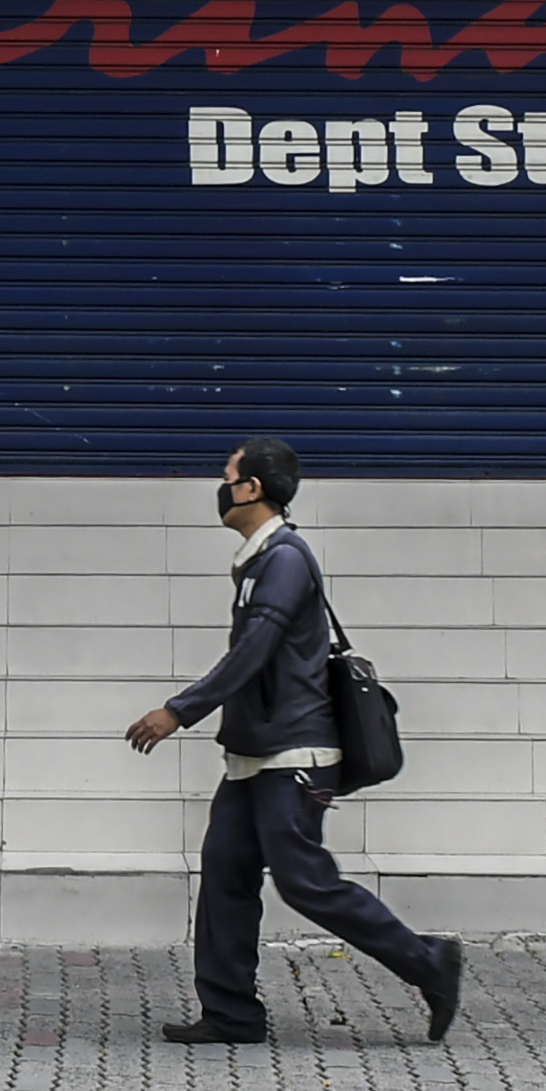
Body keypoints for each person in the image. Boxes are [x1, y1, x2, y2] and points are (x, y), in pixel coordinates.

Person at [127, 435, 463, 1046]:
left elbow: (252, 653)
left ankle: (430, 963)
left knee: (305, 880)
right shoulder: (261, 559)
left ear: (252, 487)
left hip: (294, 756)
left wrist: (178, 711)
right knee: (226, 871)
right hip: (256, 755)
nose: (221, 487)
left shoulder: (284, 558)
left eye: (228, 475)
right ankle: (231, 1013)